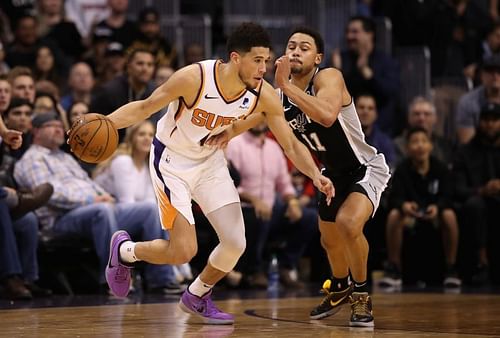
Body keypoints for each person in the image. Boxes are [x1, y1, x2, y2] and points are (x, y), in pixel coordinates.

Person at [101, 22, 333, 325]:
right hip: (172, 161)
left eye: (267, 60)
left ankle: (197, 294)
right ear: (236, 58)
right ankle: (126, 251)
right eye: (257, 60)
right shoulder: (194, 78)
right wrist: (103, 122)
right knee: (183, 250)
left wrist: (316, 175)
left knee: (236, 242)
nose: (264, 68)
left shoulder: (263, 94)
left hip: (210, 162)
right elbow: (144, 107)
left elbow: (289, 144)